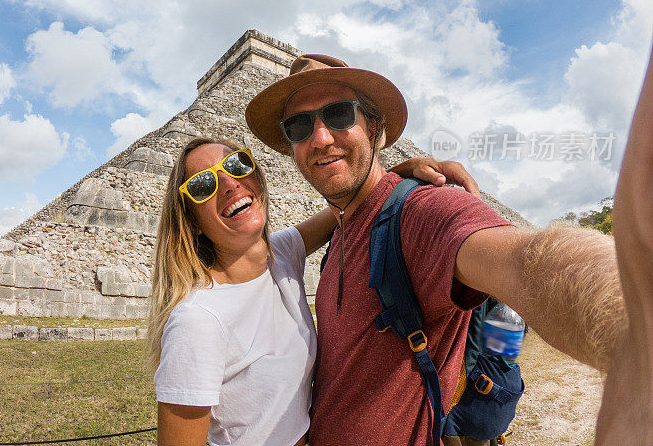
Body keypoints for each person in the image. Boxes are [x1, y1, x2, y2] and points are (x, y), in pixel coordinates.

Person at [245, 52, 640, 446]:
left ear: (373, 127)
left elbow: (532, 262)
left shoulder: (421, 211)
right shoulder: (340, 227)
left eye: (339, 115)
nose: (321, 138)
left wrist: (640, 326)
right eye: (299, 125)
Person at [148, 136, 479, 446]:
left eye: (237, 165)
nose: (229, 184)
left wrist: (404, 169)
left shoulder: (280, 255)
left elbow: (355, 200)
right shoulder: (197, 321)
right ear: (190, 220)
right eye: (203, 185)